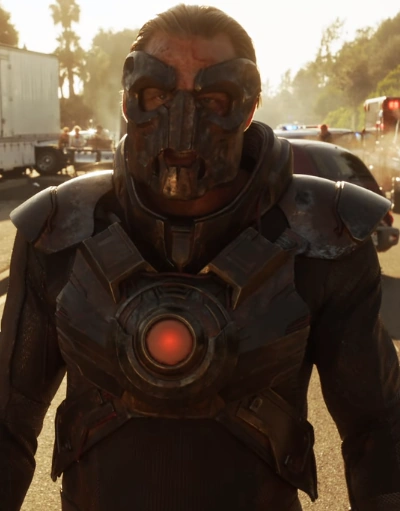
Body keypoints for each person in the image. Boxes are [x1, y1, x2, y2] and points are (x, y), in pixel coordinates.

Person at [1, 4, 400, 511]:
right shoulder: (62, 228)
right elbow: (8, 418)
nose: (182, 122)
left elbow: (378, 431)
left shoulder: (322, 234)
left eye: (213, 98)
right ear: (129, 99)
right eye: (157, 94)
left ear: (248, 106)